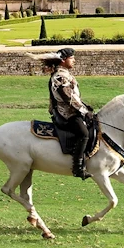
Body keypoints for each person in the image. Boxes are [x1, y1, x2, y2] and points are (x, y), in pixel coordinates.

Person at [43, 48, 93, 179]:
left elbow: (74, 97)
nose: (74, 60)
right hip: (66, 114)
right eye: (72, 58)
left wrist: (85, 107)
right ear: (63, 60)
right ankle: (77, 168)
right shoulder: (60, 76)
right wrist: (84, 111)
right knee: (84, 133)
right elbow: (68, 98)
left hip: (72, 111)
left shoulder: (64, 74)